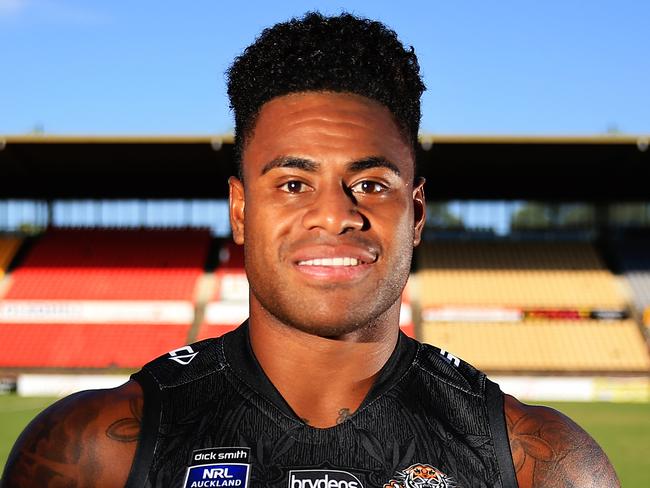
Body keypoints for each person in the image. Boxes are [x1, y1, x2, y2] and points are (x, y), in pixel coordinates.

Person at [2, 12, 619, 488]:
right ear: (241, 211)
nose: (334, 214)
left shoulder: (541, 459)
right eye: (294, 184)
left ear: (418, 214)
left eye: (371, 185)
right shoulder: (91, 450)